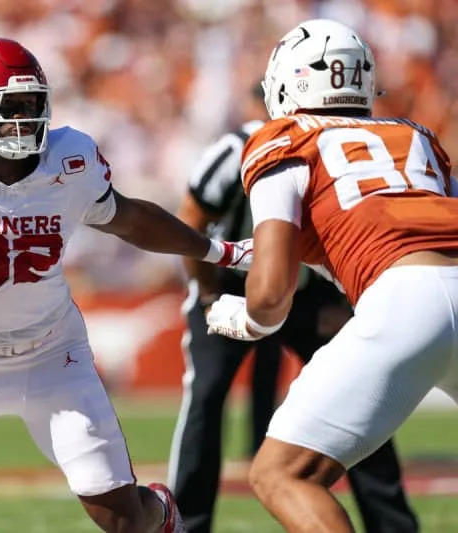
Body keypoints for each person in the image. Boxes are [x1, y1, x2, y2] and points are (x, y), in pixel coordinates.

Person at [0, 38, 253, 533]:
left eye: (31, 104)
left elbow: (127, 217)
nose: (24, 118)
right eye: (7, 107)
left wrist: (216, 250)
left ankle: (160, 510)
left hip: (54, 357)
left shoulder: (68, 157)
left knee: (124, 521)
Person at [206, 18, 458, 532]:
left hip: (408, 299)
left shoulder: (281, 139)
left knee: (283, 474)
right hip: (428, 282)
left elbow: (274, 293)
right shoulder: (415, 136)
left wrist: (248, 319)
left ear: (283, 82)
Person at [169, 105, 418, 532]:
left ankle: (392, 523)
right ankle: (188, 523)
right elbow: (191, 219)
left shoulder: (328, 145)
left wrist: (338, 299)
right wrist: (209, 294)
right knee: (206, 400)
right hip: (230, 285)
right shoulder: (235, 149)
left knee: (361, 396)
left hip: (307, 291)